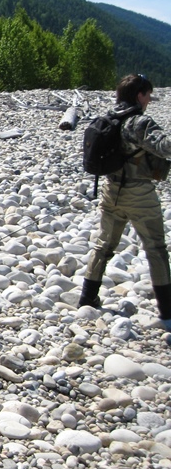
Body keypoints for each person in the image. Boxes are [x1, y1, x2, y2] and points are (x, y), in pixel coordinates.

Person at [80, 74, 171, 330]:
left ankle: (87, 298)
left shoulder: (109, 117)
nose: (149, 100)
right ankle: (167, 311)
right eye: (148, 95)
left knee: (103, 245)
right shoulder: (139, 122)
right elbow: (165, 147)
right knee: (156, 248)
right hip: (139, 193)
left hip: (111, 190)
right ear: (139, 95)